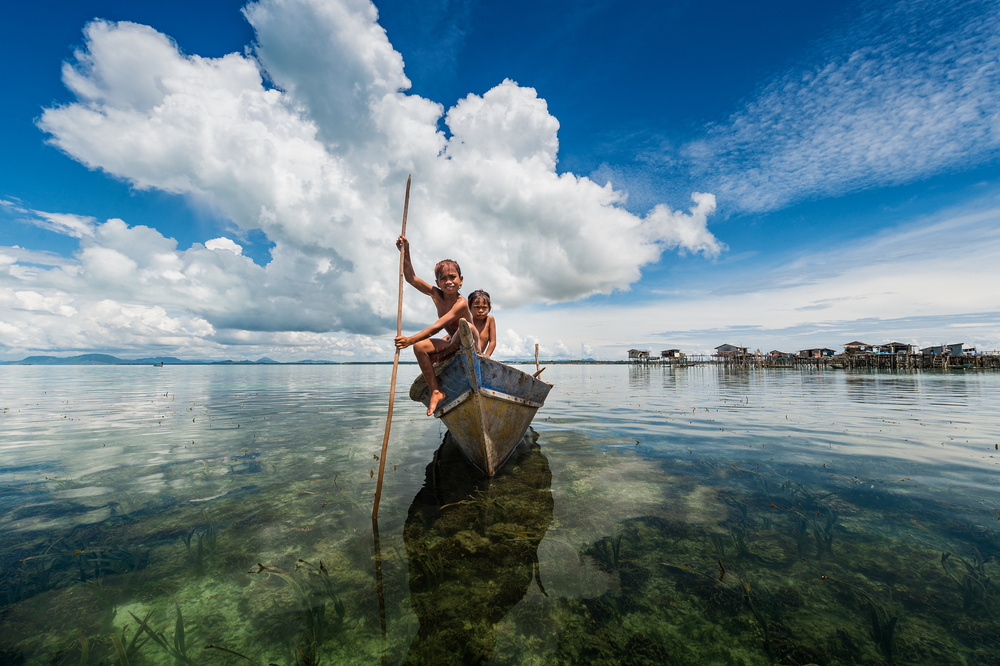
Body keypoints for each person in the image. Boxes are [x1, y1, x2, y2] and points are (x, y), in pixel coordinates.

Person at [394, 235, 479, 416]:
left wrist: (409, 339)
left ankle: (441, 356)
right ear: (437, 283)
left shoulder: (461, 303)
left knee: (468, 327)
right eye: (443, 279)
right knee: (419, 347)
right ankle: (436, 391)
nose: (448, 281)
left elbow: (437, 327)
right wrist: (405, 251)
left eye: (452, 277)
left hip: (469, 344)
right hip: (452, 345)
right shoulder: (435, 294)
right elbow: (411, 278)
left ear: (461, 280)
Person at [468, 289, 497, 357]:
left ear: (489, 309)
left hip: (479, 357)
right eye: (477, 307)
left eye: (484, 307)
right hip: (465, 356)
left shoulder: (489, 320)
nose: (481, 310)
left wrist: (486, 357)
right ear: (469, 308)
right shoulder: (467, 322)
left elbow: (493, 342)